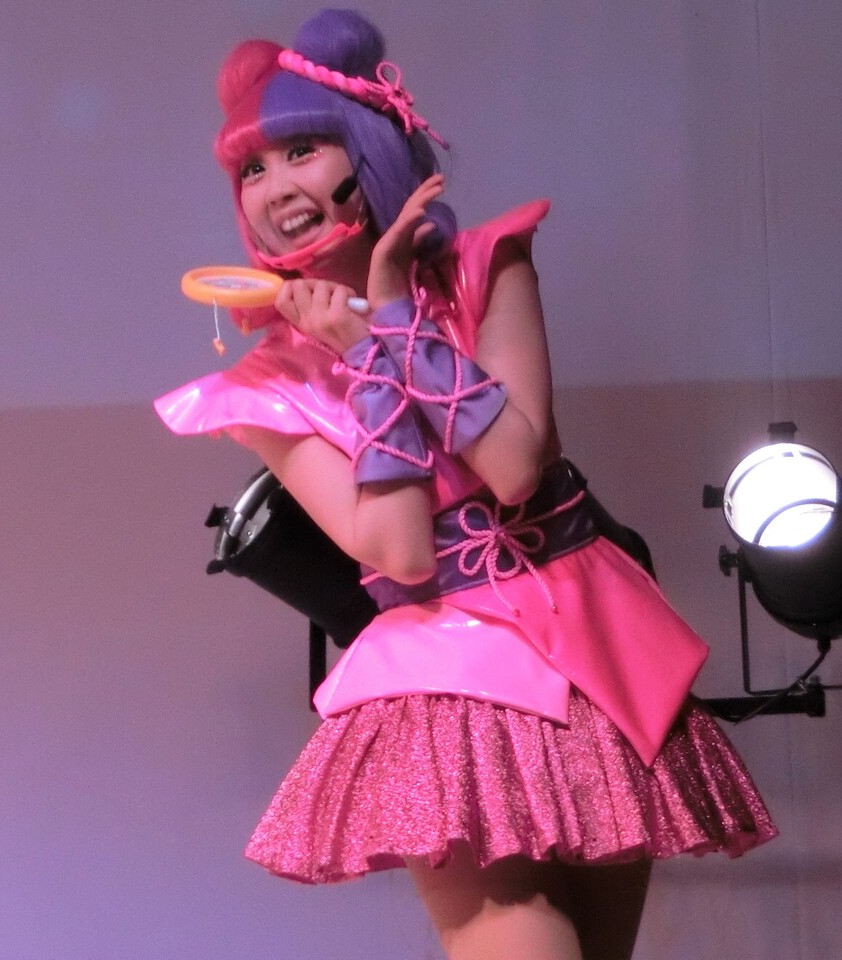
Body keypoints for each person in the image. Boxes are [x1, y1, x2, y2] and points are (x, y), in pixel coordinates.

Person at [155, 10, 776, 959]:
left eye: (302, 151)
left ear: (364, 149)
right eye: (252, 170)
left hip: (590, 647)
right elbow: (401, 549)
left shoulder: (490, 264)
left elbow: (517, 467)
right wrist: (366, 357)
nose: (275, 189)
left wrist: (392, 321)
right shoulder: (264, 385)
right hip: (448, 685)